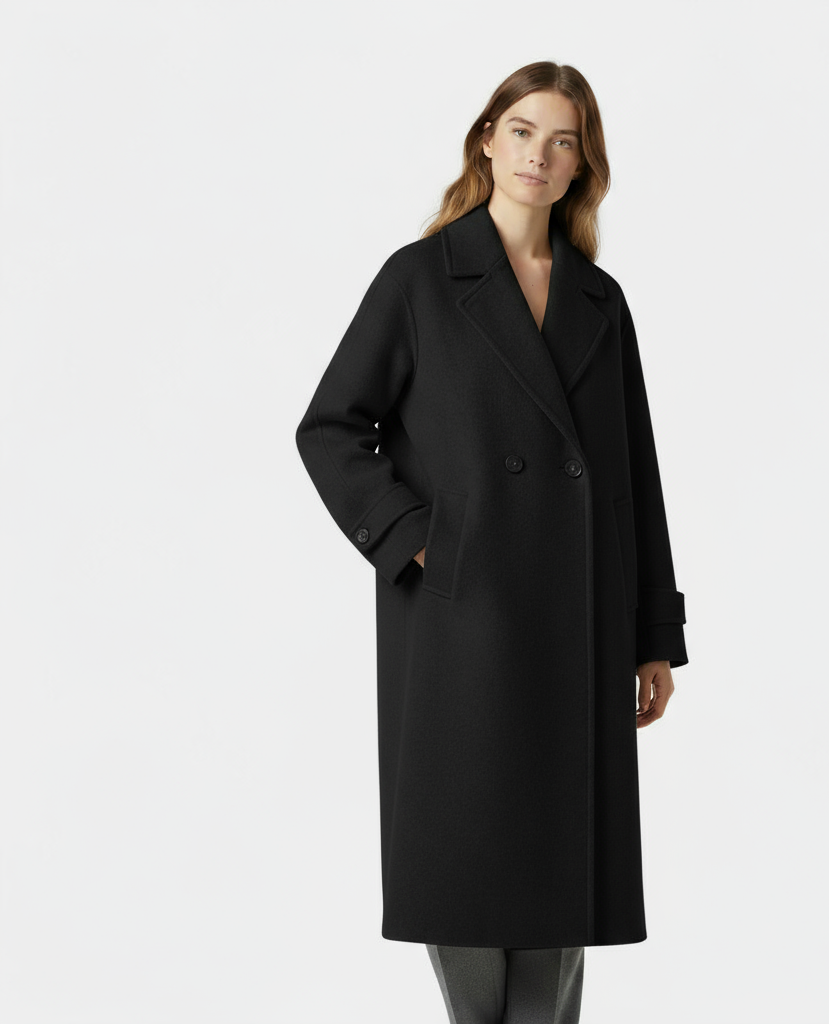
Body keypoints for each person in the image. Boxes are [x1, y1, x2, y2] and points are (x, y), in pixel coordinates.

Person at [295, 60, 688, 1024]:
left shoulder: (601, 301)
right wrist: (420, 539)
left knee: (558, 885)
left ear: (581, 165)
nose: (537, 155)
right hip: (464, 618)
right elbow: (332, 427)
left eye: (562, 141)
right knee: (466, 863)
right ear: (486, 139)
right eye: (521, 131)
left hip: (580, 625)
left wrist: (654, 635)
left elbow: (634, 478)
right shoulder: (421, 278)